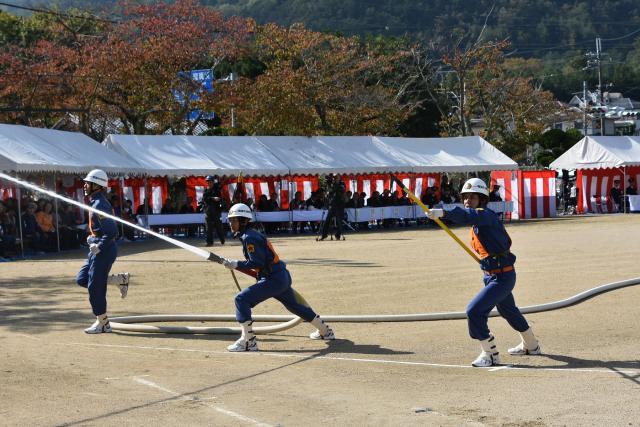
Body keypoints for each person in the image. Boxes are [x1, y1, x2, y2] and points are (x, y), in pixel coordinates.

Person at [426, 178, 540, 367]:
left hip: (502, 276)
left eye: (473, 197)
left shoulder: (485, 215)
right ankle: (531, 344)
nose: (467, 201)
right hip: (491, 275)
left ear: (482, 199)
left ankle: (491, 353)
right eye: (465, 197)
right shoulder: (477, 221)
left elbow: (468, 214)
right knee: (508, 310)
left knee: (474, 311)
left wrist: (443, 212)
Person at [221, 203, 335, 351]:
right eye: (230, 220)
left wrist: (236, 264)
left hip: (273, 279)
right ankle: (325, 331)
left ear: (243, 221)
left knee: (241, 299)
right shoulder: (250, 235)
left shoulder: (249, 237)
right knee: (296, 306)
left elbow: (257, 262)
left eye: (233, 220)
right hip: (279, 277)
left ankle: (248, 341)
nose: (230, 223)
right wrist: (237, 265)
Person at [75, 169, 130, 334]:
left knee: (94, 287)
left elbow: (112, 232)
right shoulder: (94, 202)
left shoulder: (100, 204)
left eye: (87, 183)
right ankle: (120, 280)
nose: (84, 185)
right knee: (82, 279)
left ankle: (103, 323)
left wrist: (99, 245)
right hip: (97, 248)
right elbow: (100, 230)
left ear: (96, 186)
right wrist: (92, 238)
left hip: (104, 250)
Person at [319, 175, 346, 241]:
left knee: (340, 221)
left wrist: (334, 185)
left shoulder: (342, 184)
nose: (335, 179)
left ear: (339, 178)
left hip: (339, 205)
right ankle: (324, 235)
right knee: (327, 221)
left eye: (336, 178)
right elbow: (329, 192)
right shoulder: (331, 184)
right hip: (332, 205)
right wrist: (329, 185)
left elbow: (341, 190)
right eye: (334, 178)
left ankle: (338, 235)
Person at [201, 175, 225, 246]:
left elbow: (220, 198)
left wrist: (217, 199)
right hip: (208, 210)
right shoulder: (206, 190)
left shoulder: (217, 189)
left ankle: (222, 241)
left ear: (213, 182)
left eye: (210, 181)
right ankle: (209, 242)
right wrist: (212, 198)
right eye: (207, 181)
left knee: (219, 227)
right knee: (208, 227)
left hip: (216, 210)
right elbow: (205, 199)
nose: (208, 183)